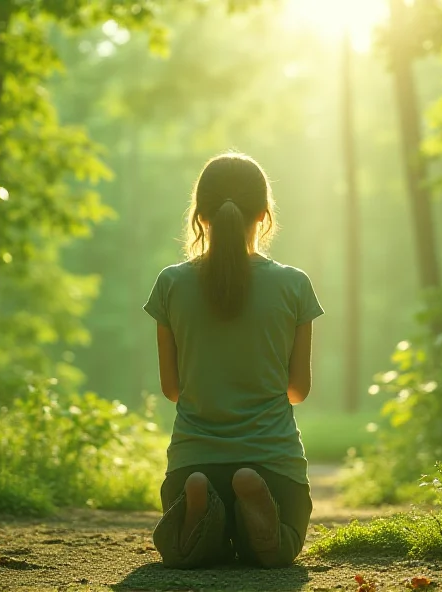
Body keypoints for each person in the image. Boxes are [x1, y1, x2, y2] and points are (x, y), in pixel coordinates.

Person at [143, 152, 324, 569]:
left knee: (186, 553)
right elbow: (298, 389)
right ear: (264, 215)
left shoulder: (170, 284)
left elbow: (173, 389)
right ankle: (260, 513)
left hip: (193, 460)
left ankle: (200, 509)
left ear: (200, 216)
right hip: (274, 464)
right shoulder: (294, 285)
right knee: (278, 548)